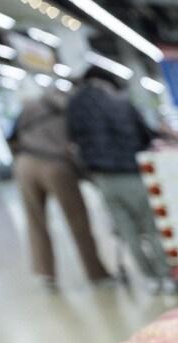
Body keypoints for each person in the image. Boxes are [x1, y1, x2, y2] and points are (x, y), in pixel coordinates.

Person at [66, 68, 171, 290]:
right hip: (133, 174)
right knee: (150, 228)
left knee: (127, 230)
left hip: (103, 179)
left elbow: (73, 141)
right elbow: (146, 136)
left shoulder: (75, 105)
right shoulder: (122, 103)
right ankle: (165, 276)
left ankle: (149, 278)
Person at [8, 87, 112, 290]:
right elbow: (79, 142)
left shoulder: (27, 109)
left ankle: (46, 274)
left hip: (24, 164)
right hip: (57, 166)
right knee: (78, 221)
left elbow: (11, 138)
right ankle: (96, 273)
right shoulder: (69, 108)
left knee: (35, 221)